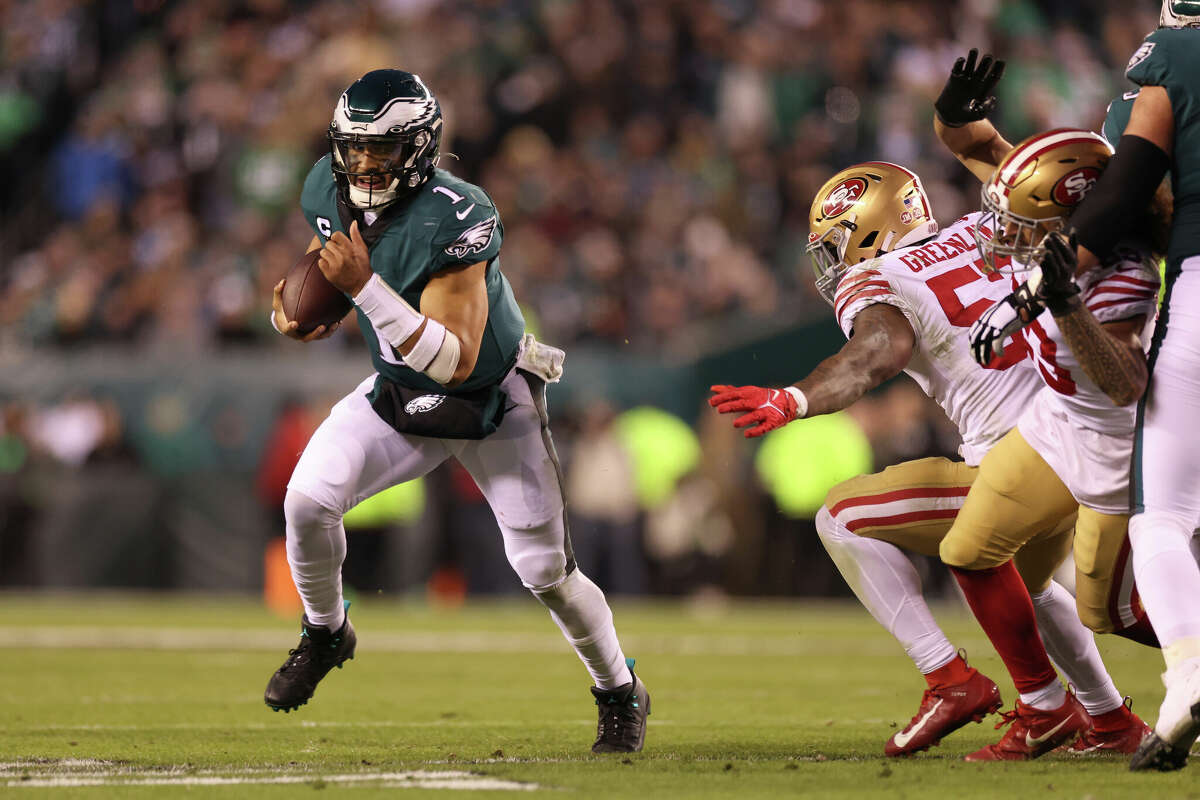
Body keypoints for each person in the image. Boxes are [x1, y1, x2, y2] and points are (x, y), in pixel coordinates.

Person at [264, 69, 649, 754]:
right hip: (395, 391)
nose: (363, 165)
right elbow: (332, 259)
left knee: (544, 573)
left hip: (491, 398)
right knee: (306, 501)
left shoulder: (459, 212)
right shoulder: (325, 186)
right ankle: (326, 632)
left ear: (418, 148)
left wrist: (363, 287)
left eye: (380, 152)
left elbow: (454, 362)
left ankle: (619, 690)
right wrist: (305, 305)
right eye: (353, 149)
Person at [709, 157, 1144, 758]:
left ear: (869, 228)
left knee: (842, 517)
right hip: (1091, 434)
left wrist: (795, 397)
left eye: (836, 245)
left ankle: (952, 680)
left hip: (1024, 457)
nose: (834, 264)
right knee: (1038, 584)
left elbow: (877, 353)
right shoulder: (986, 228)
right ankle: (1107, 719)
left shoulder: (880, 276)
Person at [1048, 2, 1200, 771]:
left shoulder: (1174, 60)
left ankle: (1190, 679)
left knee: (1163, 517)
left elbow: (1131, 185)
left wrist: (1067, 259)